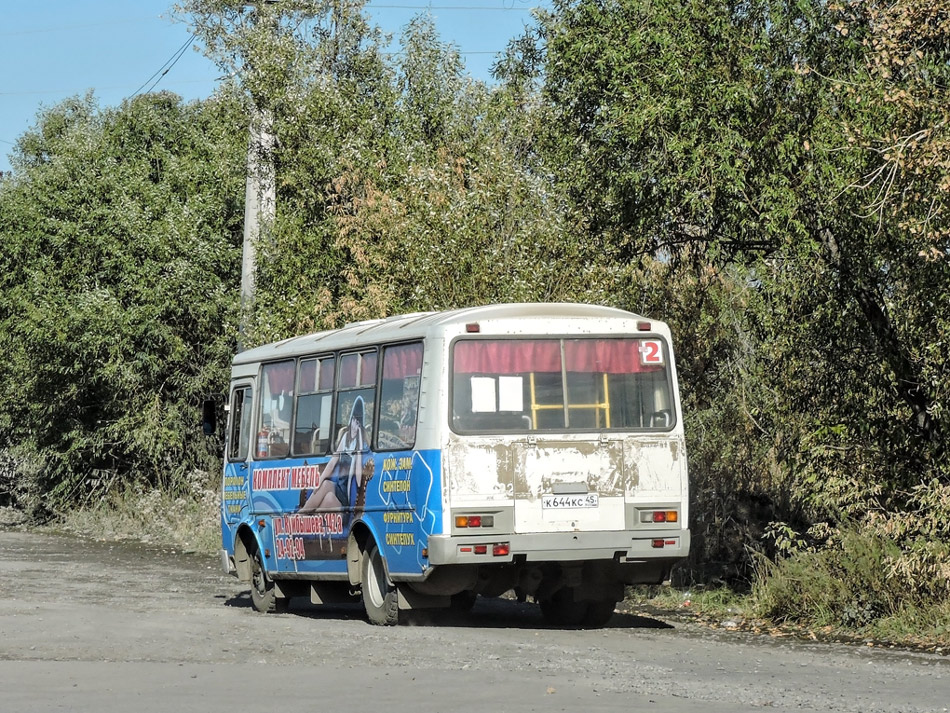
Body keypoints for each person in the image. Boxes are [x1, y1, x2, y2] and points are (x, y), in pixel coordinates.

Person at [298, 397, 367, 513]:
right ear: (351, 420)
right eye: (355, 421)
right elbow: (331, 464)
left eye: (359, 423)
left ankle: (301, 514)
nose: (356, 426)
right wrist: (318, 482)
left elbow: (359, 481)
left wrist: (359, 450)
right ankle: (306, 518)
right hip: (338, 489)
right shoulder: (345, 438)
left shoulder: (360, 445)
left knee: (326, 485)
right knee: (328, 497)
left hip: (346, 495)